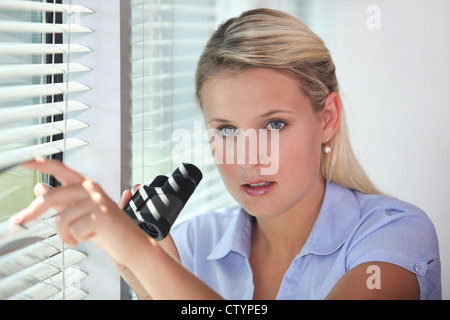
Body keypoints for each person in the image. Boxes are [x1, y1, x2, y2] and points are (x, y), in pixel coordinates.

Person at [11, 9, 440, 300]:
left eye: (274, 125)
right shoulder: (190, 247)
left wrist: (142, 257)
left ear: (326, 118)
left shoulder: (396, 237)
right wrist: (142, 275)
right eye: (227, 130)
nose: (249, 159)